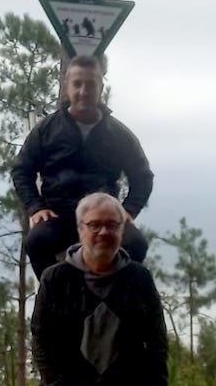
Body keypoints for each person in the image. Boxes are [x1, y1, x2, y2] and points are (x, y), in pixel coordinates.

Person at [31, 192, 175, 386]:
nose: (103, 232)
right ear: (80, 228)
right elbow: (43, 344)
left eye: (112, 225)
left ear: (122, 230)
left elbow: (157, 344)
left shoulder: (139, 279)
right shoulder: (56, 279)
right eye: (94, 225)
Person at [12, 54, 153, 279]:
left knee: (136, 244)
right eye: (77, 84)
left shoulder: (118, 134)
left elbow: (142, 176)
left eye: (91, 84)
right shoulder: (46, 130)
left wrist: (129, 209)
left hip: (104, 217)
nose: (83, 91)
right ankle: (56, 297)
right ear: (68, 87)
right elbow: (21, 170)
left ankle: (114, 299)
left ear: (100, 87)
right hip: (59, 215)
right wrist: (36, 207)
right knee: (37, 242)